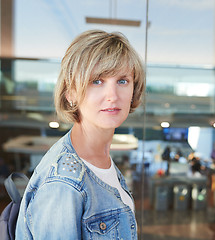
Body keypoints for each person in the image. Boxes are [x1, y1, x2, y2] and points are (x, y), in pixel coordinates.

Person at [16, 29, 145, 239]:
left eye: (122, 81)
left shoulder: (100, 159)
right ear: (71, 93)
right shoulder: (62, 184)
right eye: (97, 81)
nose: (112, 96)